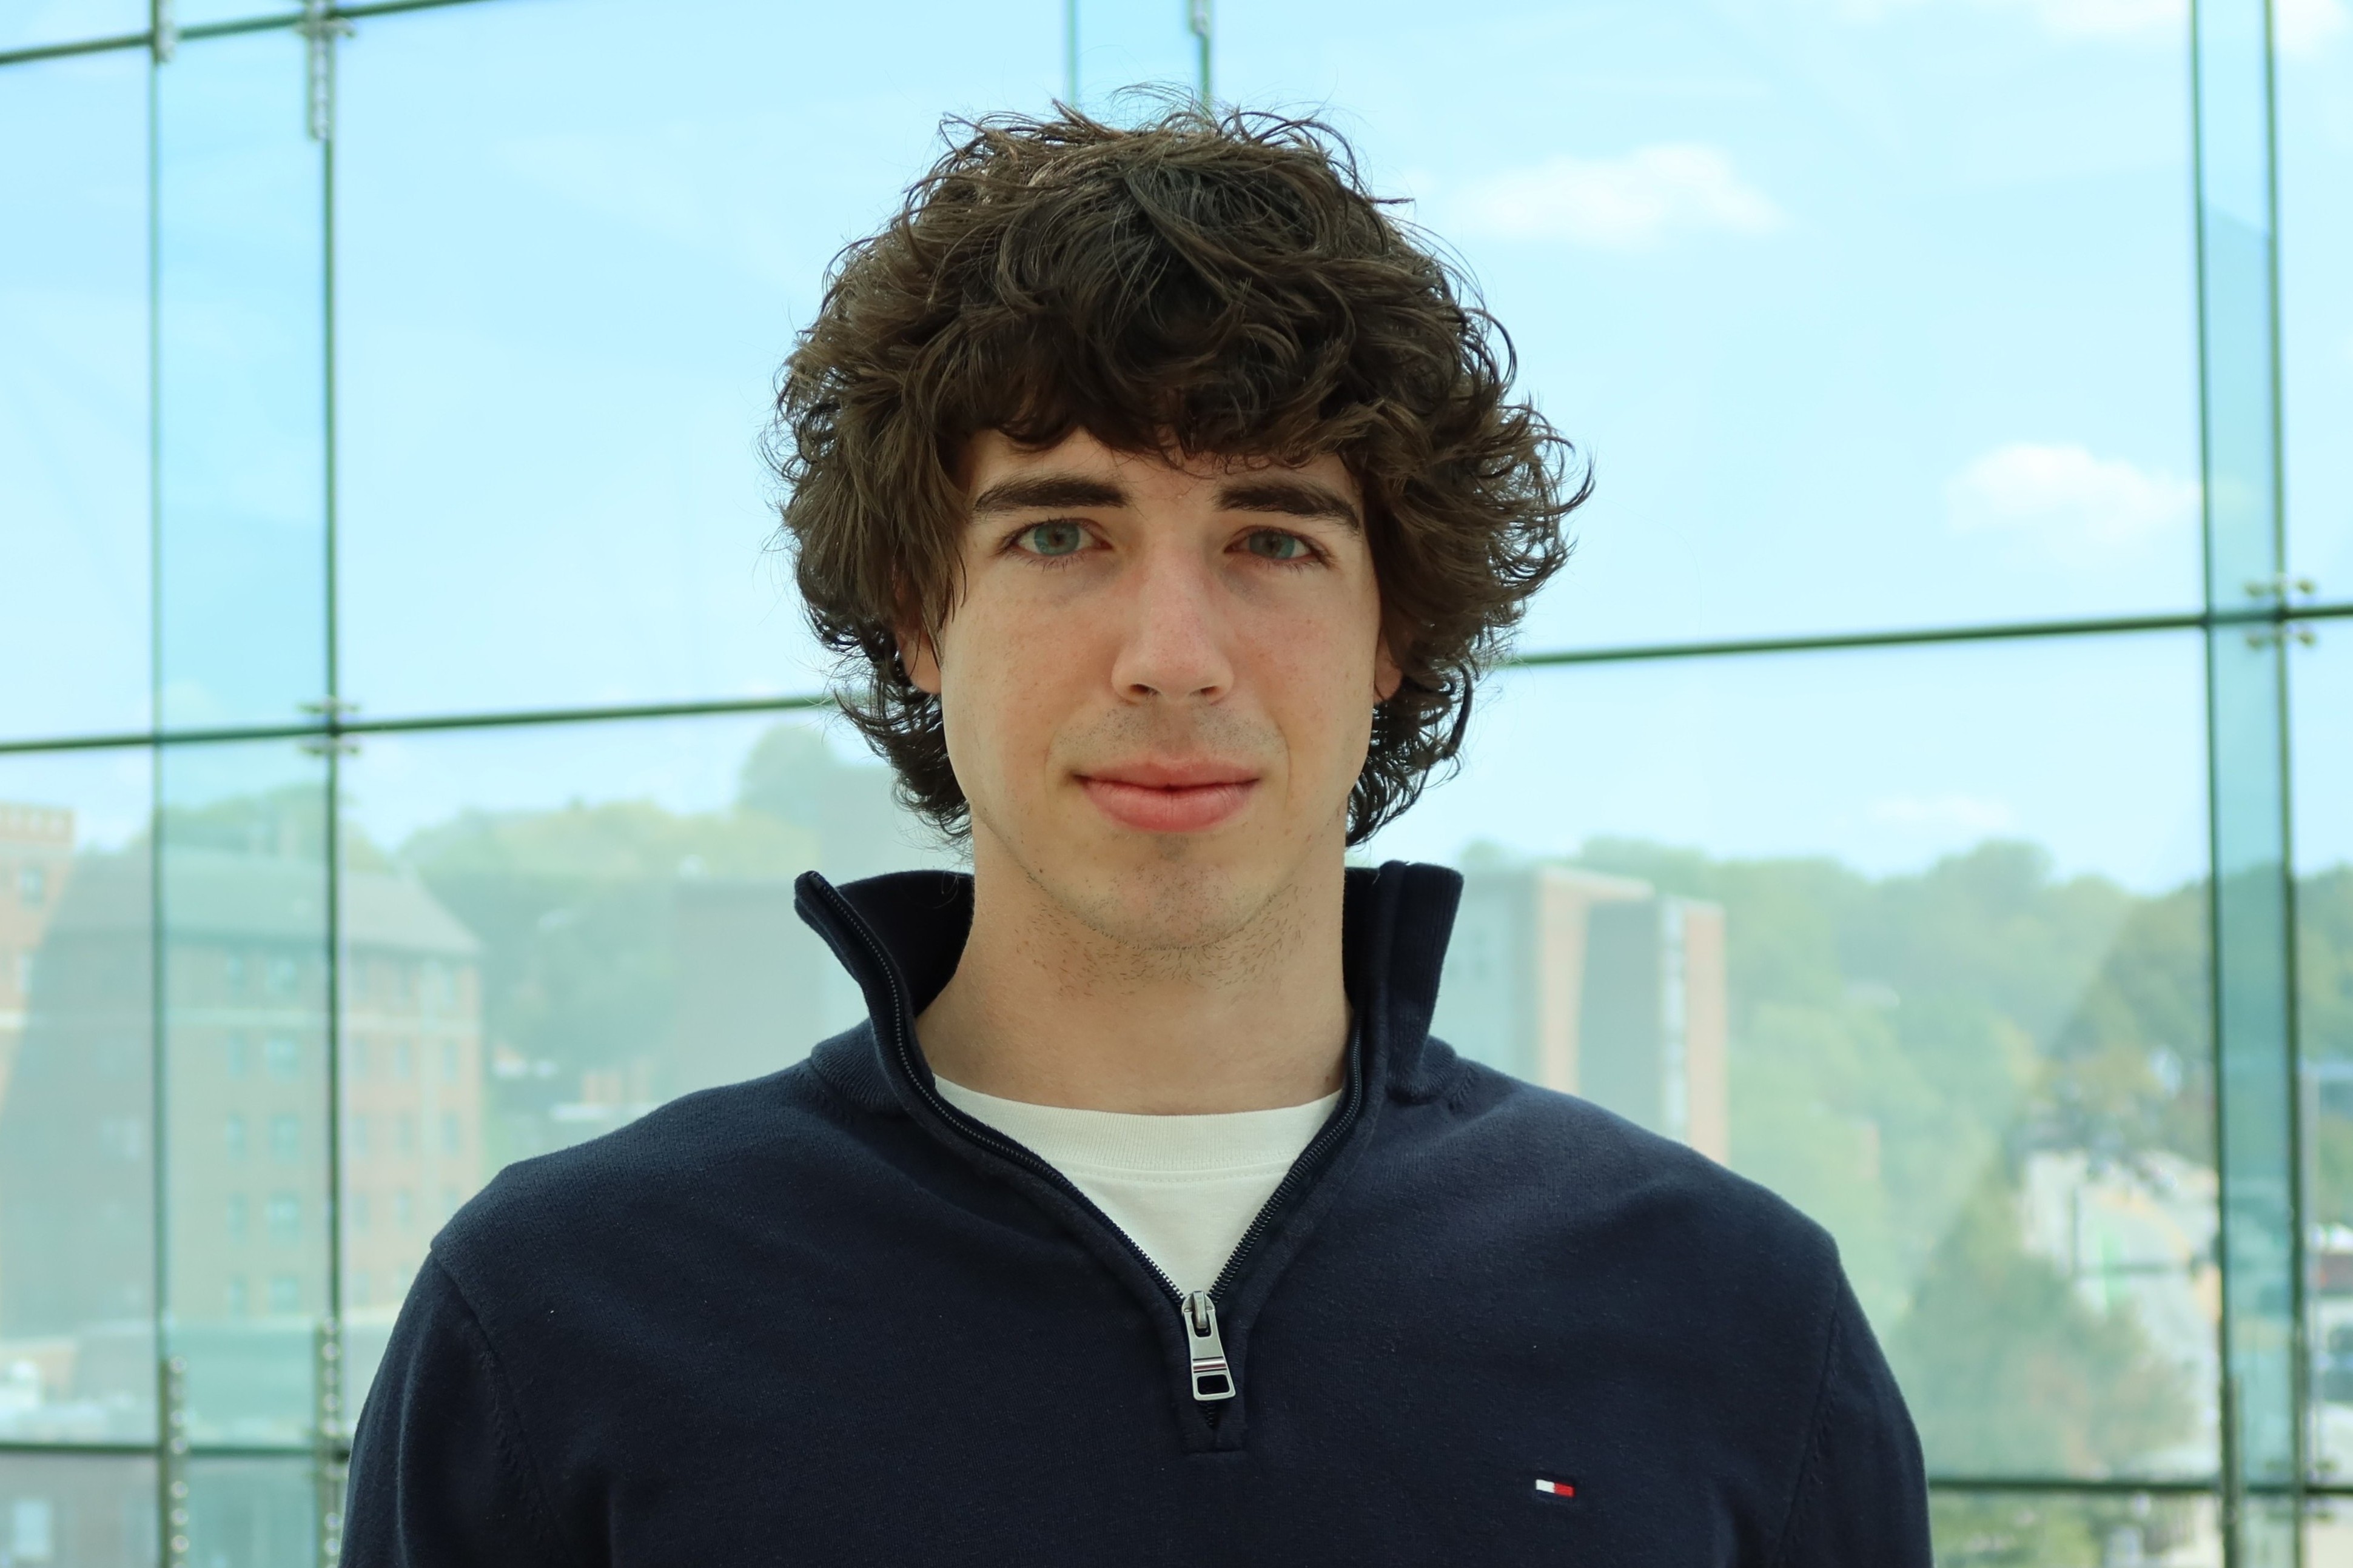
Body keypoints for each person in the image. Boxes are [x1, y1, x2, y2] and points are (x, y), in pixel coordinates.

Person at [342, 106, 1930, 1565]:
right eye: (1061, 532)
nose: (1173, 654)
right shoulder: (559, 1315)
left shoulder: (1734, 1314)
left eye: (1273, 538)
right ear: (918, 617)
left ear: (1393, 628)